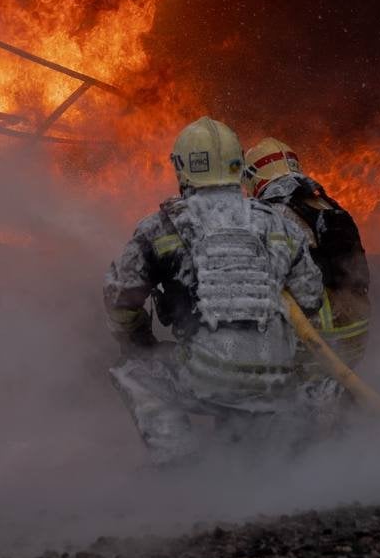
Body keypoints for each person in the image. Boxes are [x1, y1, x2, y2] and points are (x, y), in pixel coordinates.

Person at [104, 117, 324, 466]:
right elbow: (311, 298)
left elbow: (120, 298)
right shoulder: (278, 223)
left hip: (204, 380)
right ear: (238, 165)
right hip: (277, 378)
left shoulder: (159, 227)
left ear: (182, 168)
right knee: (273, 378)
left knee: (132, 370)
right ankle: (269, 455)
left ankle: (180, 461)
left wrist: (140, 341)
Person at [240, 137, 371, 368]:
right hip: (357, 334)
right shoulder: (327, 206)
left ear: (254, 178)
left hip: (316, 339)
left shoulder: (274, 213)